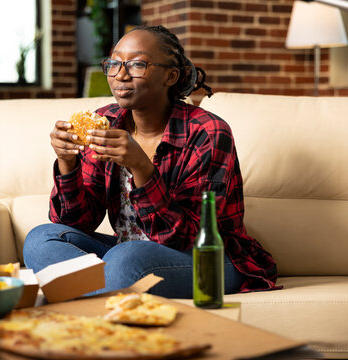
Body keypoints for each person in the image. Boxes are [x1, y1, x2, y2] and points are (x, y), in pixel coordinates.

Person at [23, 25, 278, 298]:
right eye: (114, 63)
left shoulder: (208, 132)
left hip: (209, 259)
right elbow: (75, 222)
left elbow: (188, 238)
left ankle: (91, 295)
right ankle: (112, 293)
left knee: (127, 258)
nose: (120, 75)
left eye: (136, 65)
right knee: (41, 240)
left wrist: (142, 167)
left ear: (170, 75)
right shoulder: (105, 123)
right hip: (129, 253)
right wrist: (67, 162)